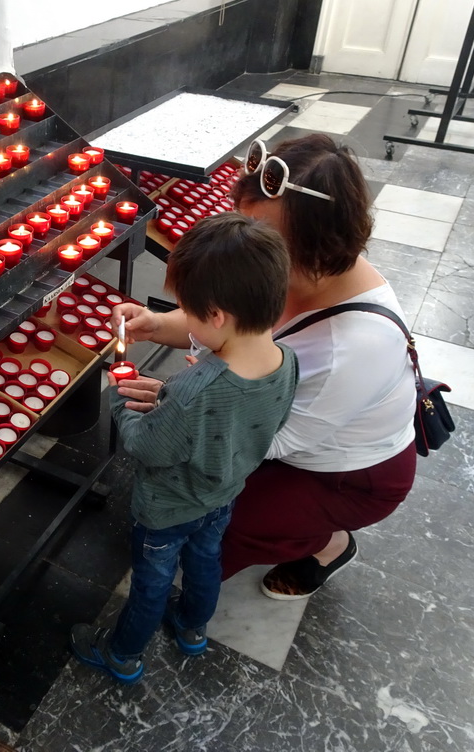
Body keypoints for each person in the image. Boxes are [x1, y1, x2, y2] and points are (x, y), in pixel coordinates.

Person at [111, 133, 417, 601]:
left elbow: (276, 439)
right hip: (275, 421)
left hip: (347, 474)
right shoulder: (284, 271)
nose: (248, 246)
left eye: (265, 236)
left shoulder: (354, 346)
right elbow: (226, 319)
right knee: (202, 493)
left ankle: (326, 541)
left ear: (318, 244)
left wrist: (191, 409)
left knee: (216, 520)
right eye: (245, 222)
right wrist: (154, 324)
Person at [69, 212, 298, 684]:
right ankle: (193, 629)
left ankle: (123, 654)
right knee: (205, 562)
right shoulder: (286, 361)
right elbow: (247, 417)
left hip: (167, 507)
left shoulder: (196, 389)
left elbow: (147, 447)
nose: (186, 319)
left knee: (151, 584)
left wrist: (120, 398)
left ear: (216, 316)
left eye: (189, 311)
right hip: (224, 493)